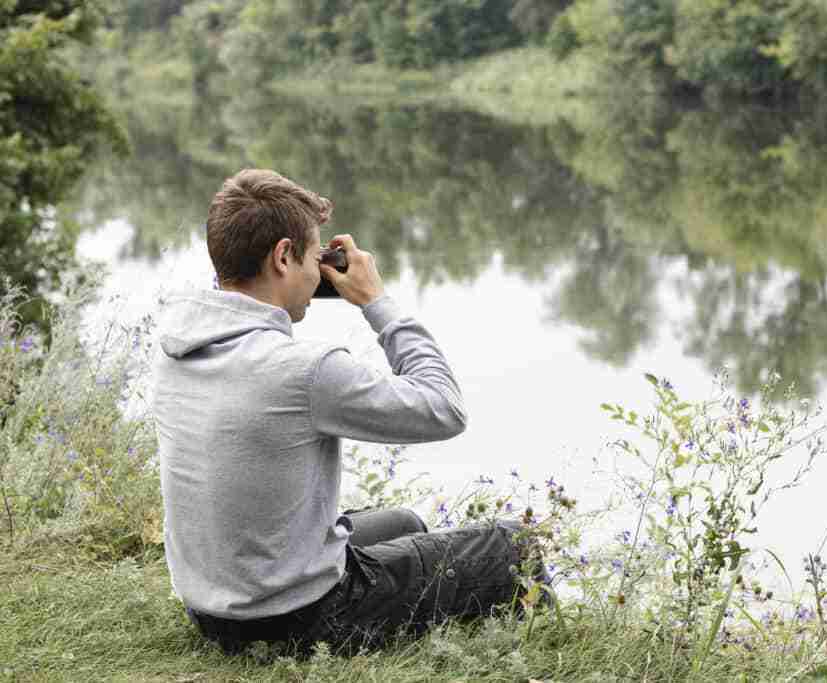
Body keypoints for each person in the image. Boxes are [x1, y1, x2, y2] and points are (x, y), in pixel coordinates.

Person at [152, 168, 540, 657]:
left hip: (210, 610)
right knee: (514, 547)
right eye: (315, 259)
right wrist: (376, 301)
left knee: (404, 523)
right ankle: (541, 647)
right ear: (282, 256)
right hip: (299, 617)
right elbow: (444, 407)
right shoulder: (306, 370)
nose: (320, 275)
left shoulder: (174, 346)